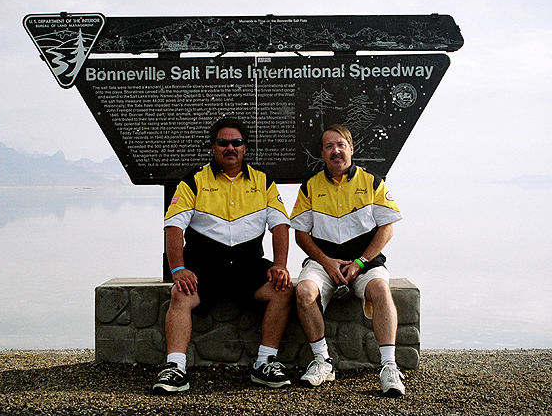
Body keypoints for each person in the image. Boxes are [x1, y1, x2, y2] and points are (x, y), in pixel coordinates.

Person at [153, 116, 293, 394]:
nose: (231, 148)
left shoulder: (264, 181)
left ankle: (265, 363)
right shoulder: (193, 181)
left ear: (245, 148)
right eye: (223, 143)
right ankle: (175, 368)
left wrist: (280, 265)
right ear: (213, 147)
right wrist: (178, 269)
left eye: (237, 142)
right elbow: (173, 227)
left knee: (283, 290)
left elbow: (279, 226)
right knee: (180, 293)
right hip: (204, 266)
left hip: (247, 265)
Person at [290, 124, 406, 396]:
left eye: (341, 145)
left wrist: (361, 262)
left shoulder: (373, 182)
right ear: (322, 153)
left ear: (351, 149)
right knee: (304, 291)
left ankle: (389, 366)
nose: (336, 151)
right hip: (323, 261)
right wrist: (327, 262)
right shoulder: (310, 186)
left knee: (380, 290)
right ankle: (323, 361)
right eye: (329, 146)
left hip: (364, 262)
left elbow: (386, 229)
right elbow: (301, 235)